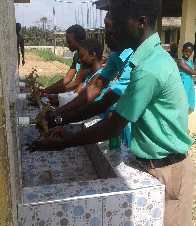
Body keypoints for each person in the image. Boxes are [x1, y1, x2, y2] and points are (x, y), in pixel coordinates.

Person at [26, 0, 195, 226]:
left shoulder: (149, 68)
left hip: (169, 171)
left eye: (116, 20)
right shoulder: (142, 59)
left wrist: (60, 144)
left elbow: (113, 124)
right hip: (153, 166)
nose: (111, 28)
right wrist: (60, 119)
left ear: (140, 20)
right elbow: (99, 96)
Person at [45, 12, 133, 147]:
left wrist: (61, 128)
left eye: (109, 29)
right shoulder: (116, 56)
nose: (105, 35)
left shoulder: (136, 62)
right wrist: (58, 116)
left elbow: (105, 107)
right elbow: (95, 89)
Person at [43, 24, 89, 94]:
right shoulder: (77, 56)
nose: (67, 44)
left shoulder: (87, 58)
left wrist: (50, 92)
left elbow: (76, 83)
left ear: (79, 41)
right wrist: (46, 90)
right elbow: (67, 79)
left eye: (69, 42)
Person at [177, 42, 196, 109]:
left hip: (189, 84)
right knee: (182, 102)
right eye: (186, 51)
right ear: (182, 51)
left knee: (188, 102)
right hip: (183, 84)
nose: (187, 53)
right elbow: (193, 71)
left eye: (189, 52)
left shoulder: (190, 61)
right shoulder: (181, 61)